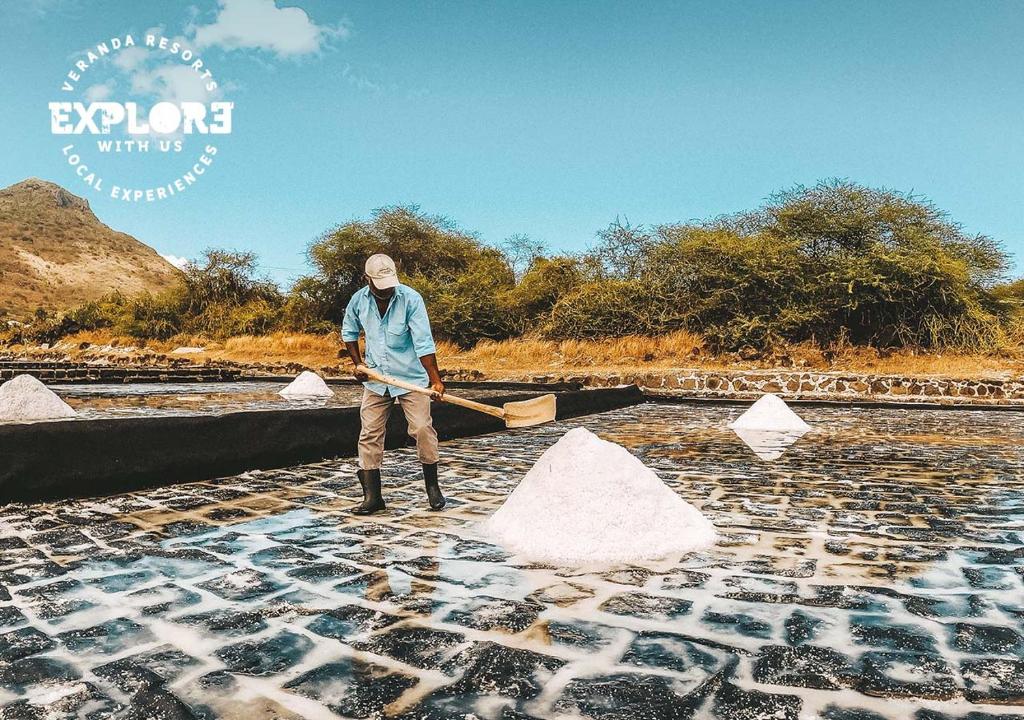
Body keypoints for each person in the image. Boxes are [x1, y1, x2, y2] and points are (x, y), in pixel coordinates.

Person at [341, 253, 447, 515]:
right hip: (377, 379)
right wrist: (359, 365)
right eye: (380, 283)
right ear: (368, 279)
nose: (387, 288)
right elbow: (349, 332)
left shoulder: (411, 298)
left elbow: (423, 341)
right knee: (370, 433)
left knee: (422, 428)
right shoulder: (358, 301)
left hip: (411, 378)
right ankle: (373, 497)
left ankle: (432, 487)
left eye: (390, 282)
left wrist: (435, 380)